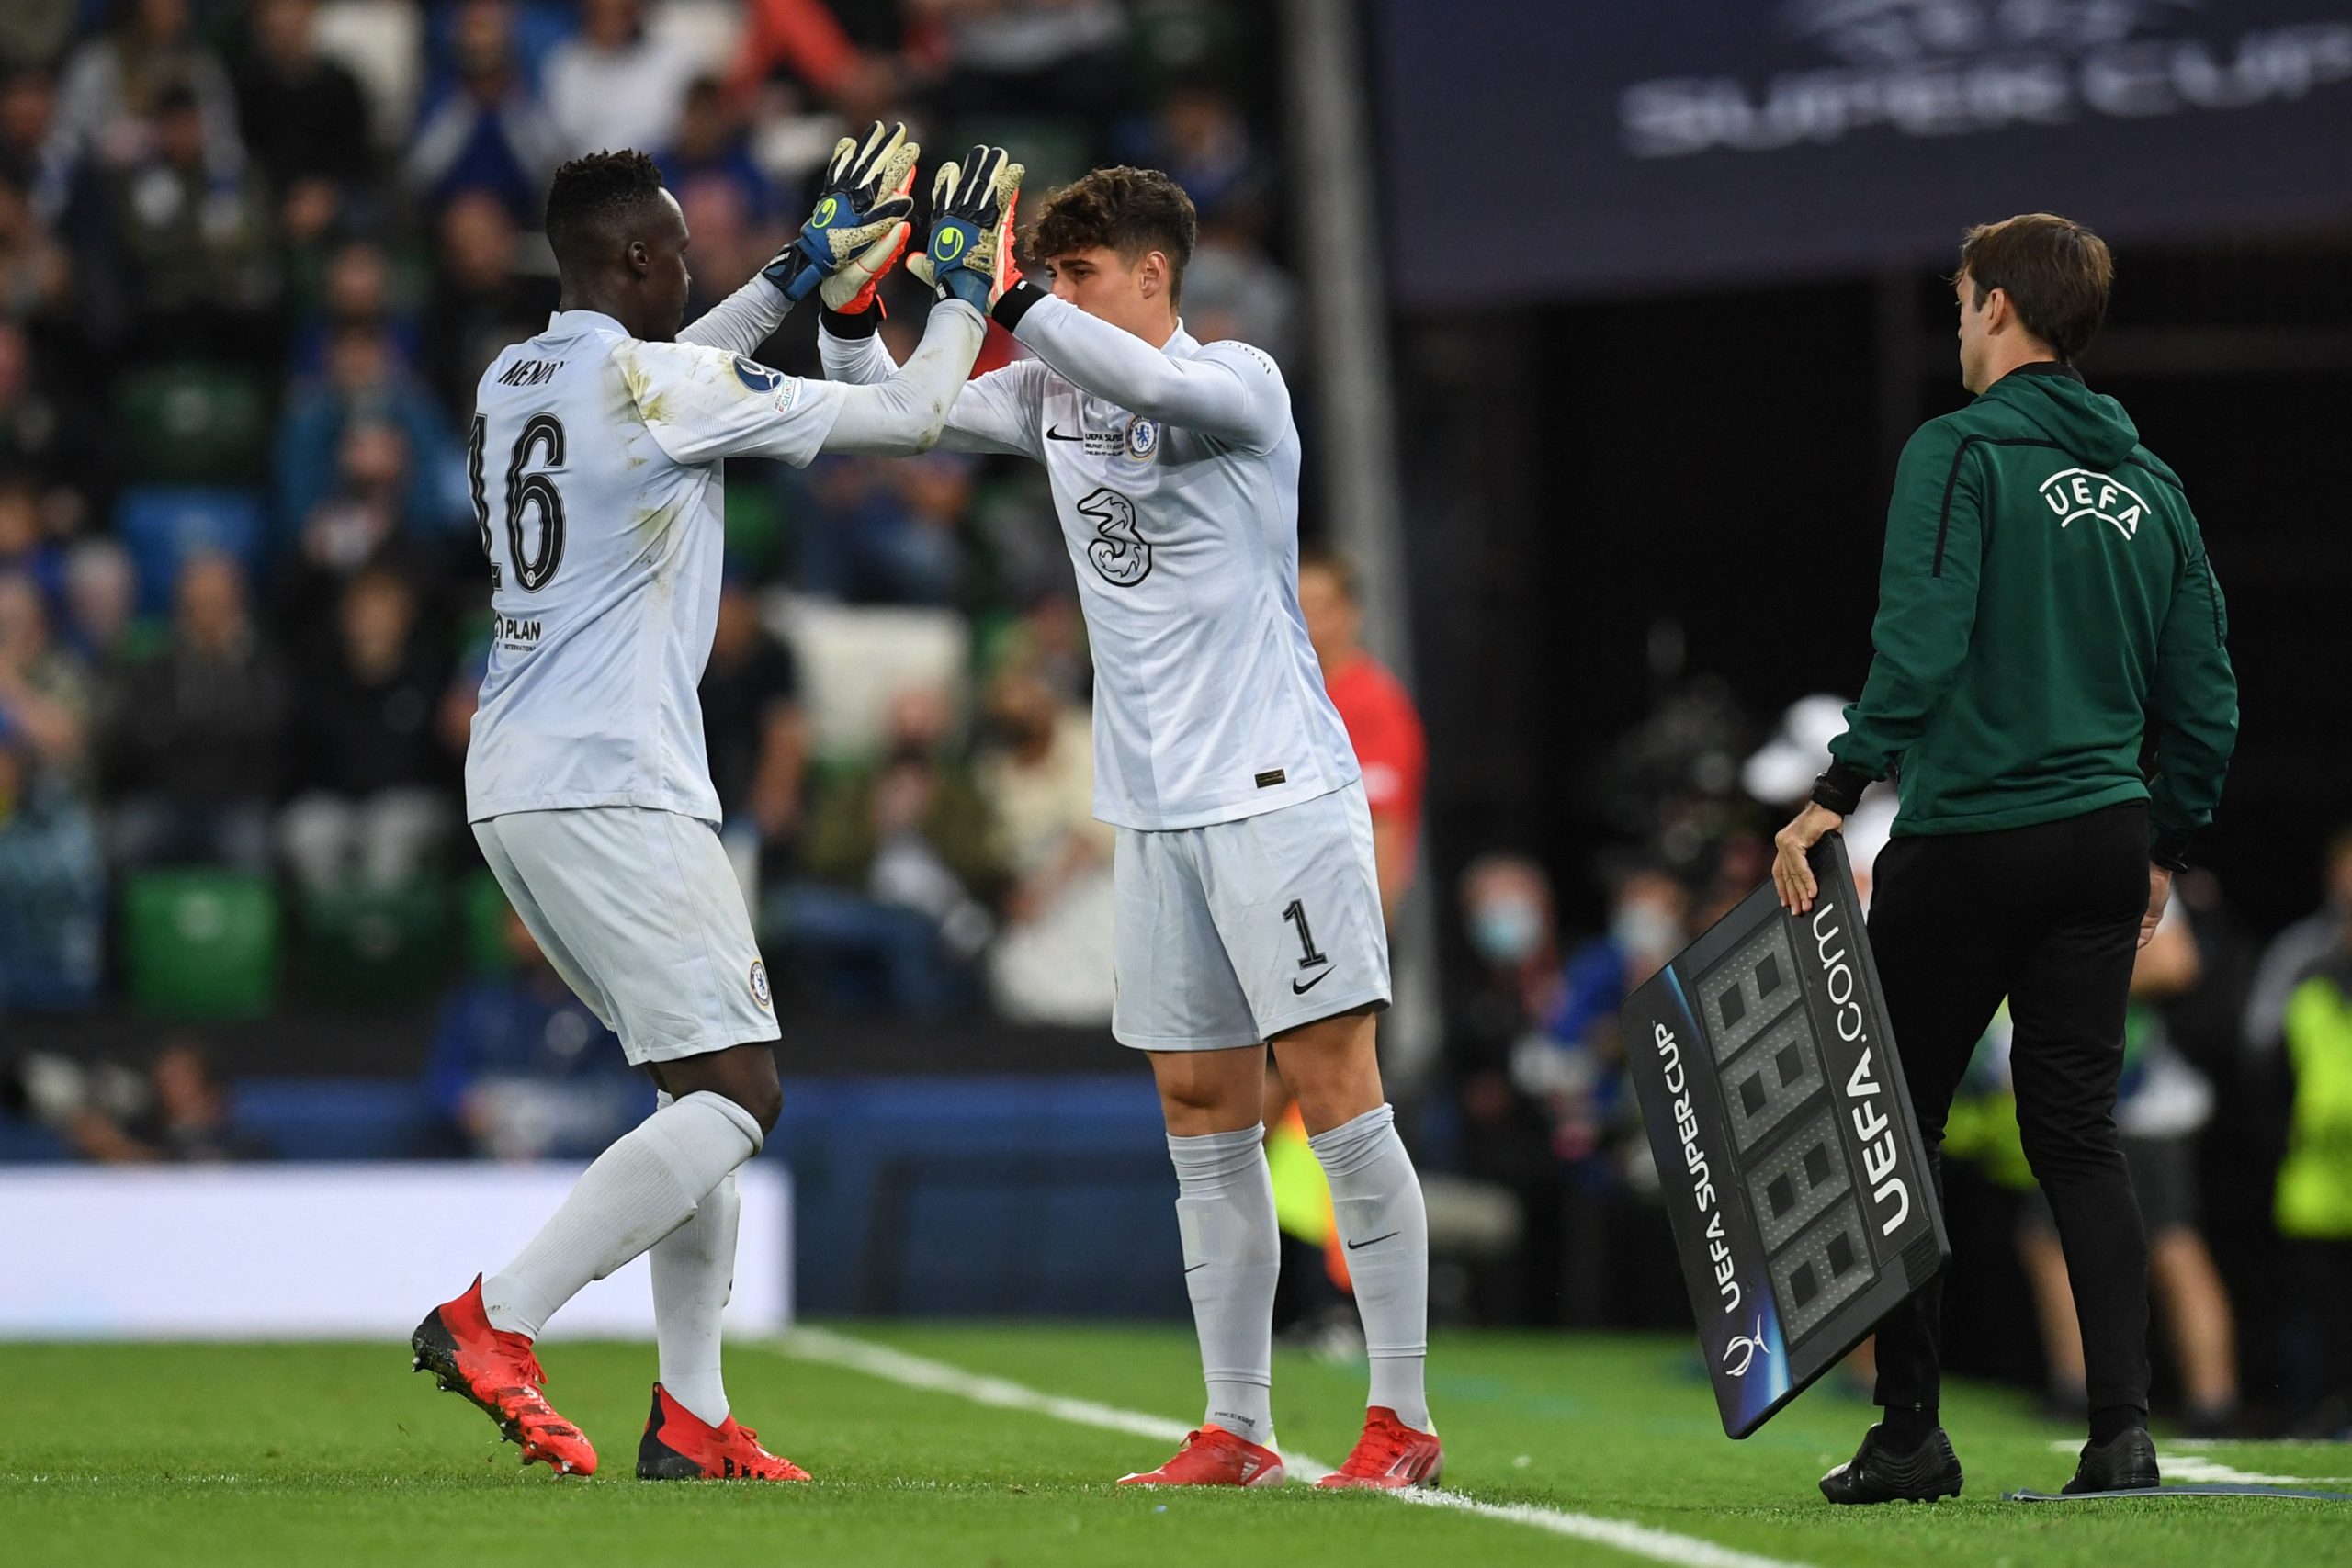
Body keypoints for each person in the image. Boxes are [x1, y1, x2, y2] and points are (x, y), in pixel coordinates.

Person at [408, 124, 1013, 1484]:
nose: (695, 271)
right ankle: (494, 1319)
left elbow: (673, 371)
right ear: (634, 260)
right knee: (743, 1092)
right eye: (679, 253)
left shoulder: (513, 376)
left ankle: (691, 1414)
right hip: (616, 774)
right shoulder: (661, 384)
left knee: (695, 1081)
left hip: (518, 772)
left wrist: (801, 268)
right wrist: (965, 288)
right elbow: (913, 420)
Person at [818, 164, 1437, 1488]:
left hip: (1275, 790)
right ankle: (1241, 1427)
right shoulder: (1049, 388)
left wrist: (996, 291)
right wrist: (851, 297)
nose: (1062, 302)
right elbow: (889, 413)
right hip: (1151, 813)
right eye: (1053, 279)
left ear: (1153, 277)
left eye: (1082, 276)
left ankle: (1400, 1417)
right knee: (1200, 1112)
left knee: (1334, 1097)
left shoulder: (1239, 382)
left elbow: (1149, 387)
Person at [1774, 214, 2239, 1500]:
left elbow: (1920, 639)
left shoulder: (1959, 450)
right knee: (2078, 1138)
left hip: (1972, 833)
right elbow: (2207, 696)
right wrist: (2171, 841)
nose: (1959, 320)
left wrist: (1836, 788)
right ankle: (2122, 1434)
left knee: (1898, 1130)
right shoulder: (2156, 486)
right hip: (2103, 839)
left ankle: (1912, 1435)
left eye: (1964, 299)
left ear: (1992, 307)